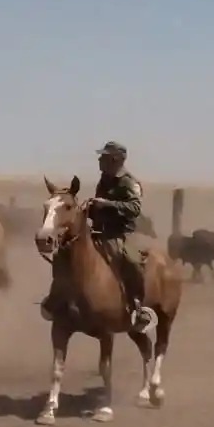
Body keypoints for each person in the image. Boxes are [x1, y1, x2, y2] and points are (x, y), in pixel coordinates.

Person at [40, 141, 156, 333]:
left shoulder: (129, 182)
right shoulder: (104, 179)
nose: (99, 160)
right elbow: (99, 206)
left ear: (115, 160)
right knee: (63, 253)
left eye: (103, 157)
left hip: (121, 233)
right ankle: (56, 298)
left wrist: (107, 204)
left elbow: (135, 208)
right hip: (99, 231)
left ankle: (138, 307)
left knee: (131, 261)